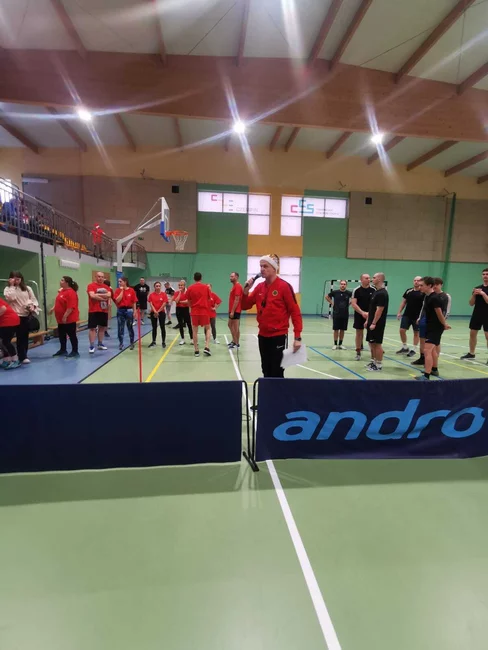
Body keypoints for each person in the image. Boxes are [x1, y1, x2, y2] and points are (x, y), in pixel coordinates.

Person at [242, 254, 302, 378]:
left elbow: (295, 312)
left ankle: (278, 391)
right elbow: (245, 305)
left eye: (265, 266)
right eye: (261, 266)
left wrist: (297, 337)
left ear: (274, 268)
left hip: (278, 336)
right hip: (263, 336)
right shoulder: (259, 287)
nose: (262, 269)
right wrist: (246, 291)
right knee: (265, 369)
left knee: (277, 371)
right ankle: (267, 390)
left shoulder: (284, 287)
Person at [415, 276, 451, 381]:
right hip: (430, 326)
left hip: (435, 328)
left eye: (422, 285)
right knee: (433, 350)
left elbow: (439, 314)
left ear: (429, 285)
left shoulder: (434, 298)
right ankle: (434, 369)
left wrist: (444, 324)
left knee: (427, 350)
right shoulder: (427, 297)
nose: (419, 287)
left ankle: (426, 375)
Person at [4, 270, 39, 365]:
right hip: (13, 316)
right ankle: (10, 356)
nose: (16, 281)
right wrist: (12, 286)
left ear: (21, 279)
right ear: (10, 279)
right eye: (14, 279)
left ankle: (23, 356)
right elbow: (11, 298)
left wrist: (32, 306)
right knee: (7, 338)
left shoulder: (27, 288)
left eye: (18, 279)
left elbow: (33, 300)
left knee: (23, 337)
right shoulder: (8, 289)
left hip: (24, 316)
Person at [460, 268, 488, 362]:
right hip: (477, 314)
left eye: (487, 274)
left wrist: (483, 293)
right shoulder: (478, 288)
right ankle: (471, 353)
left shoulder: (482, 291)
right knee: (472, 333)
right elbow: (471, 303)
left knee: (487, 336)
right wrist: (474, 295)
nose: (485, 276)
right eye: (483, 274)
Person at [50, 276, 80, 358]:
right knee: (62, 335)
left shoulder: (71, 293)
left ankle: (75, 351)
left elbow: (71, 307)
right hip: (60, 319)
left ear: (67, 283)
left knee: (72, 335)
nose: (60, 281)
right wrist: (53, 308)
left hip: (69, 319)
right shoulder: (62, 291)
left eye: (62, 280)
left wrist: (65, 316)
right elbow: (59, 302)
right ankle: (63, 350)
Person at [365, 272, 389, 372]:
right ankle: (374, 362)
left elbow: (379, 310)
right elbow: (372, 309)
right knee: (372, 343)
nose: (372, 279)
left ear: (379, 279)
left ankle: (378, 365)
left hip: (378, 323)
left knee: (377, 344)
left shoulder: (382, 293)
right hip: (371, 321)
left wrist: (374, 323)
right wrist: (368, 320)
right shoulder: (376, 292)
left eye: (374, 277)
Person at [396, 276, 423, 357]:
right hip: (407, 315)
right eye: (415, 280)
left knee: (416, 332)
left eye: (418, 280)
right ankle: (405, 347)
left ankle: (414, 349)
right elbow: (404, 302)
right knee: (402, 330)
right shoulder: (408, 291)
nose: (416, 282)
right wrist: (399, 312)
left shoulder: (423, 292)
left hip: (418, 316)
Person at [187, 272, 212, 357]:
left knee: (194, 330)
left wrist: (192, 307)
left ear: (194, 278)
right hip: (204, 311)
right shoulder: (206, 287)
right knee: (208, 328)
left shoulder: (190, 288)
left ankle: (196, 350)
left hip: (194, 311)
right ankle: (207, 347)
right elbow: (209, 299)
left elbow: (188, 301)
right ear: (201, 278)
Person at [351, 274, 375, 361]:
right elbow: (353, 304)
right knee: (359, 333)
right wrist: (362, 312)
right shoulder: (356, 290)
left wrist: (369, 314)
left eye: (369, 278)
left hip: (371, 315)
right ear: (361, 280)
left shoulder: (374, 290)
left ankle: (373, 355)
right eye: (366, 278)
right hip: (359, 315)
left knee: (371, 334)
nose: (369, 279)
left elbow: (375, 304)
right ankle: (358, 352)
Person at [87, 271, 111, 353]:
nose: (100, 278)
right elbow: (92, 295)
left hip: (104, 310)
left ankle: (100, 344)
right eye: (99, 276)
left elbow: (109, 295)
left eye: (102, 277)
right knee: (92, 328)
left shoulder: (106, 287)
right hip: (93, 310)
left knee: (102, 328)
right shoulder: (91, 285)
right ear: (96, 277)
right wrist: (103, 297)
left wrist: (97, 295)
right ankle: (91, 345)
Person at [325, 280, 352, 350]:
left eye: (344, 284)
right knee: (336, 329)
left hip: (345, 314)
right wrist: (332, 303)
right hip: (336, 313)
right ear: (340, 285)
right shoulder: (335, 292)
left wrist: (350, 303)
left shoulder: (349, 293)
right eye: (342, 284)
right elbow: (327, 297)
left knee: (342, 329)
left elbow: (354, 299)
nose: (343, 285)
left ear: (346, 285)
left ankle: (340, 344)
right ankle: (335, 344)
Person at [114, 276, 137, 350]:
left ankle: (132, 343)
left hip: (129, 310)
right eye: (118, 281)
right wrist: (122, 291)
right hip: (120, 310)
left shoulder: (131, 290)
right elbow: (117, 300)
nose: (119, 283)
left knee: (130, 327)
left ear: (125, 282)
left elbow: (134, 302)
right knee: (120, 328)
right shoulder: (117, 290)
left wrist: (135, 311)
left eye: (120, 281)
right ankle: (121, 343)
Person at [0, 296, 21, 369]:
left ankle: (16, 360)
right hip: (5, 322)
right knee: (2, 341)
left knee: (5, 341)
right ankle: (7, 360)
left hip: (9, 321)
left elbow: (3, 308)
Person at [173, 280, 193, 345]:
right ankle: (182, 339)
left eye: (181, 285)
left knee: (189, 324)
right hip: (178, 309)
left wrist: (180, 302)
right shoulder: (176, 293)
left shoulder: (187, 292)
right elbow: (176, 301)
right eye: (179, 285)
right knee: (180, 324)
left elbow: (188, 301)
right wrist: (179, 293)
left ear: (184, 286)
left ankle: (192, 339)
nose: (180, 286)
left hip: (185, 309)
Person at [148, 281, 167, 348]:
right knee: (154, 327)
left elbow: (164, 304)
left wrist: (158, 311)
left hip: (161, 312)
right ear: (154, 287)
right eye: (157, 286)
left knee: (162, 327)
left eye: (159, 286)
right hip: (153, 313)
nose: (158, 287)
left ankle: (163, 342)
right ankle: (153, 341)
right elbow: (151, 304)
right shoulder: (151, 295)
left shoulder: (164, 294)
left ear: (160, 287)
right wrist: (155, 312)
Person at [228, 271, 243, 350]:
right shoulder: (234, 286)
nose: (230, 278)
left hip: (236, 310)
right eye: (230, 276)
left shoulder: (238, 286)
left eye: (232, 276)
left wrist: (233, 311)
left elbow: (237, 299)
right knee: (230, 325)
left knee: (235, 327)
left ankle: (237, 343)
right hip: (232, 310)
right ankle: (234, 341)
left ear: (236, 277)